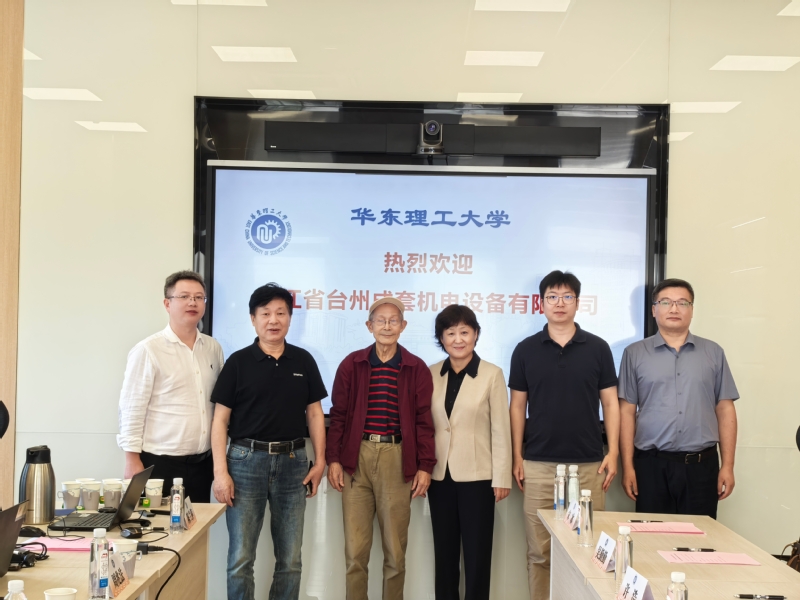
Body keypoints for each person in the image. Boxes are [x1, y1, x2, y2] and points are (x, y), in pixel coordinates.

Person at [210, 283, 327, 600]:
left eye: (280, 313)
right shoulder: (238, 362)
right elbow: (220, 420)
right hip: (244, 463)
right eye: (265, 314)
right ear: (253, 319)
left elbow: (315, 414)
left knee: (290, 560)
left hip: (293, 463)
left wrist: (320, 462)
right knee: (240, 559)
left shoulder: (303, 360)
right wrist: (221, 473)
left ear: (290, 318)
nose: (273, 320)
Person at [509, 270, 620, 600]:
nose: (560, 303)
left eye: (567, 296)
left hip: (588, 465)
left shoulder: (598, 348)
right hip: (539, 465)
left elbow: (610, 403)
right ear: (541, 303)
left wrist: (613, 451)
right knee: (539, 552)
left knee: (590, 549)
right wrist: (517, 456)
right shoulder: (525, 349)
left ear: (578, 302)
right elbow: (517, 406)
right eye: (552, 297)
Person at [326, 296, 435, 600]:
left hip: (397, 459)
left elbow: (424, 421)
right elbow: (338, 415)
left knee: (395, 554)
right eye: (381, 321)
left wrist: (426, 465)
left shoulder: (416, 368)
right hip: (356, 457)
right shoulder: (352, 364)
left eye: (393, 321)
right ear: (369, 325)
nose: (387, 326)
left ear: (403, 325)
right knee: (355, 554)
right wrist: (333, 459)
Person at [618, 278, 739, 519]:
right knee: (652, 536)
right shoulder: (634, 354)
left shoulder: (713, 352)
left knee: (700, 537)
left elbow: (725, 410)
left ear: (692, 310)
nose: (674, 309)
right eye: (666, 302)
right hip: (651, 466)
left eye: (682, 303)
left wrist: (728, 466)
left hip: (701, 467)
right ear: (654, 310)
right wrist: (628, 467)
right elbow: (626, 412)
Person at [427, 304, 511, 600]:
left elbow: (501, 429)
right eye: (450, 333)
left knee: (477, 556)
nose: (458, 339)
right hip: (439, 477)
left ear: (476, 334)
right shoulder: (431, 373)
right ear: (441, 338)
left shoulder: (492, 374)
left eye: (464, 332)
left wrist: (502, 476)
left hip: (478, 478)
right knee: (444, 556)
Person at [117, 270, 224, 503]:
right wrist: (131, 459)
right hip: (159, 464)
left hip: (203, 463)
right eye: (184, 296)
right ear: (167, 304)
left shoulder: (212, 348)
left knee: (198, 525)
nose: (192, 302)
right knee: (160, 525)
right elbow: (132, 408)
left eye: (199, 297)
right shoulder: (148, 350)